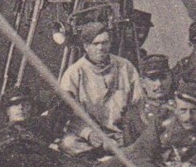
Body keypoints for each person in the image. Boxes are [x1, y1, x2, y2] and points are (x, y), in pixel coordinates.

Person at [58, 19, 140, 154]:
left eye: (105, 43)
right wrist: (88, 133)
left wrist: (127, 132)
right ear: (86, 46)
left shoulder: (125, 67)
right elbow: (67, 114)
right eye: (95, 44)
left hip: (121, 134)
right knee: (68, 143)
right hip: (90, 136)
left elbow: (138, 103)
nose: (101, 48)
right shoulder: (74, 73)